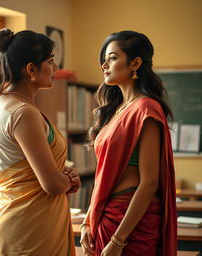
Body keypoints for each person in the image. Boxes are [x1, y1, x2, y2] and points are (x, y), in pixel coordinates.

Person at [80, 31, 177, 256]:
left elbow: (149, 182)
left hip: (131, 223)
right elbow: (103, 173)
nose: (104, 64)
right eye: (104, 58)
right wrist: (87, 219)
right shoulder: (114, 110)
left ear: (135, 63)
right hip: (105, 215)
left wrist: (118, 241)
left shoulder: (146, 109)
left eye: (112, 58)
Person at [0, 28, 81, 256]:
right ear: (31, 69)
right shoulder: (23, 112)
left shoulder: (0, 104)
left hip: (19, 224)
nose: (56, 68)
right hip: (29, 233)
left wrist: (63, 175)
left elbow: (30, 167)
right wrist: (68, 180)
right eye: (50, 61)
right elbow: (52, 184)